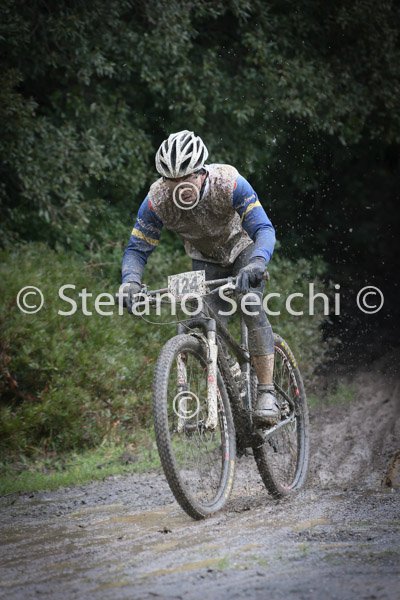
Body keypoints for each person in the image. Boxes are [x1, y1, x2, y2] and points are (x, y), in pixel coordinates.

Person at [121, 130, 279, 426]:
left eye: (187, 177)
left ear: (201, 172)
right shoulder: (157, 200)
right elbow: (137, 249)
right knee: (199, 320)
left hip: (244, 250)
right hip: (205, 260)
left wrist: (258, 262)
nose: (181, 187)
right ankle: (227, 386)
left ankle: (267, 392)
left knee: (249, 303)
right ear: (164, 181)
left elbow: (263, 229)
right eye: (172, 181)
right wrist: (130, 281)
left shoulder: (229, 182)